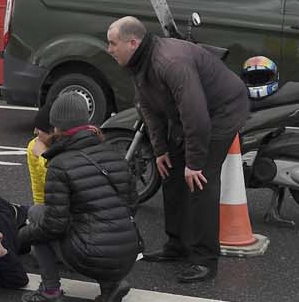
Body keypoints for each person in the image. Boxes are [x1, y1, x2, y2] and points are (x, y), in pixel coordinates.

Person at [106, 15, 249, 284]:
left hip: (221, 110)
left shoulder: (170, 62)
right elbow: (148, 108)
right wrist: (161, 151)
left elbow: (196, 117)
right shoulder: (139, 62)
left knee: (200, 182)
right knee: (171, 172)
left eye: (112, 43)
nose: (109, 49)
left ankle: (205, 259)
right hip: (188, 115)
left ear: (132, 43)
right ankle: (177, 245)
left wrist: (194, 163)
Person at [18, 93, 139, 302]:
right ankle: (111, 285)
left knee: (37, 215)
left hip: (91, 255)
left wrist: (22, 237)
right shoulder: (114, 153)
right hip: (129, 252)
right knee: (98, 223)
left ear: (56, 128)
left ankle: (50, 292)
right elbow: (131, 205)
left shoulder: (60, 164)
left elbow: (53, 225)